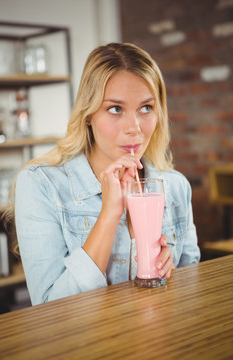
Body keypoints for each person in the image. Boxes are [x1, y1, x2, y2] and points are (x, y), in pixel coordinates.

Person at [11, 42, 200, 305]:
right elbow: (48, 307)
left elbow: (191, 297)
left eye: (146, 107)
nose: (134, 128)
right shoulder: (40, 184)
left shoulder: (176, 187)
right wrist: (110, 215)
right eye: (115, 109)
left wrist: (172, 275)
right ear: (88, 114)